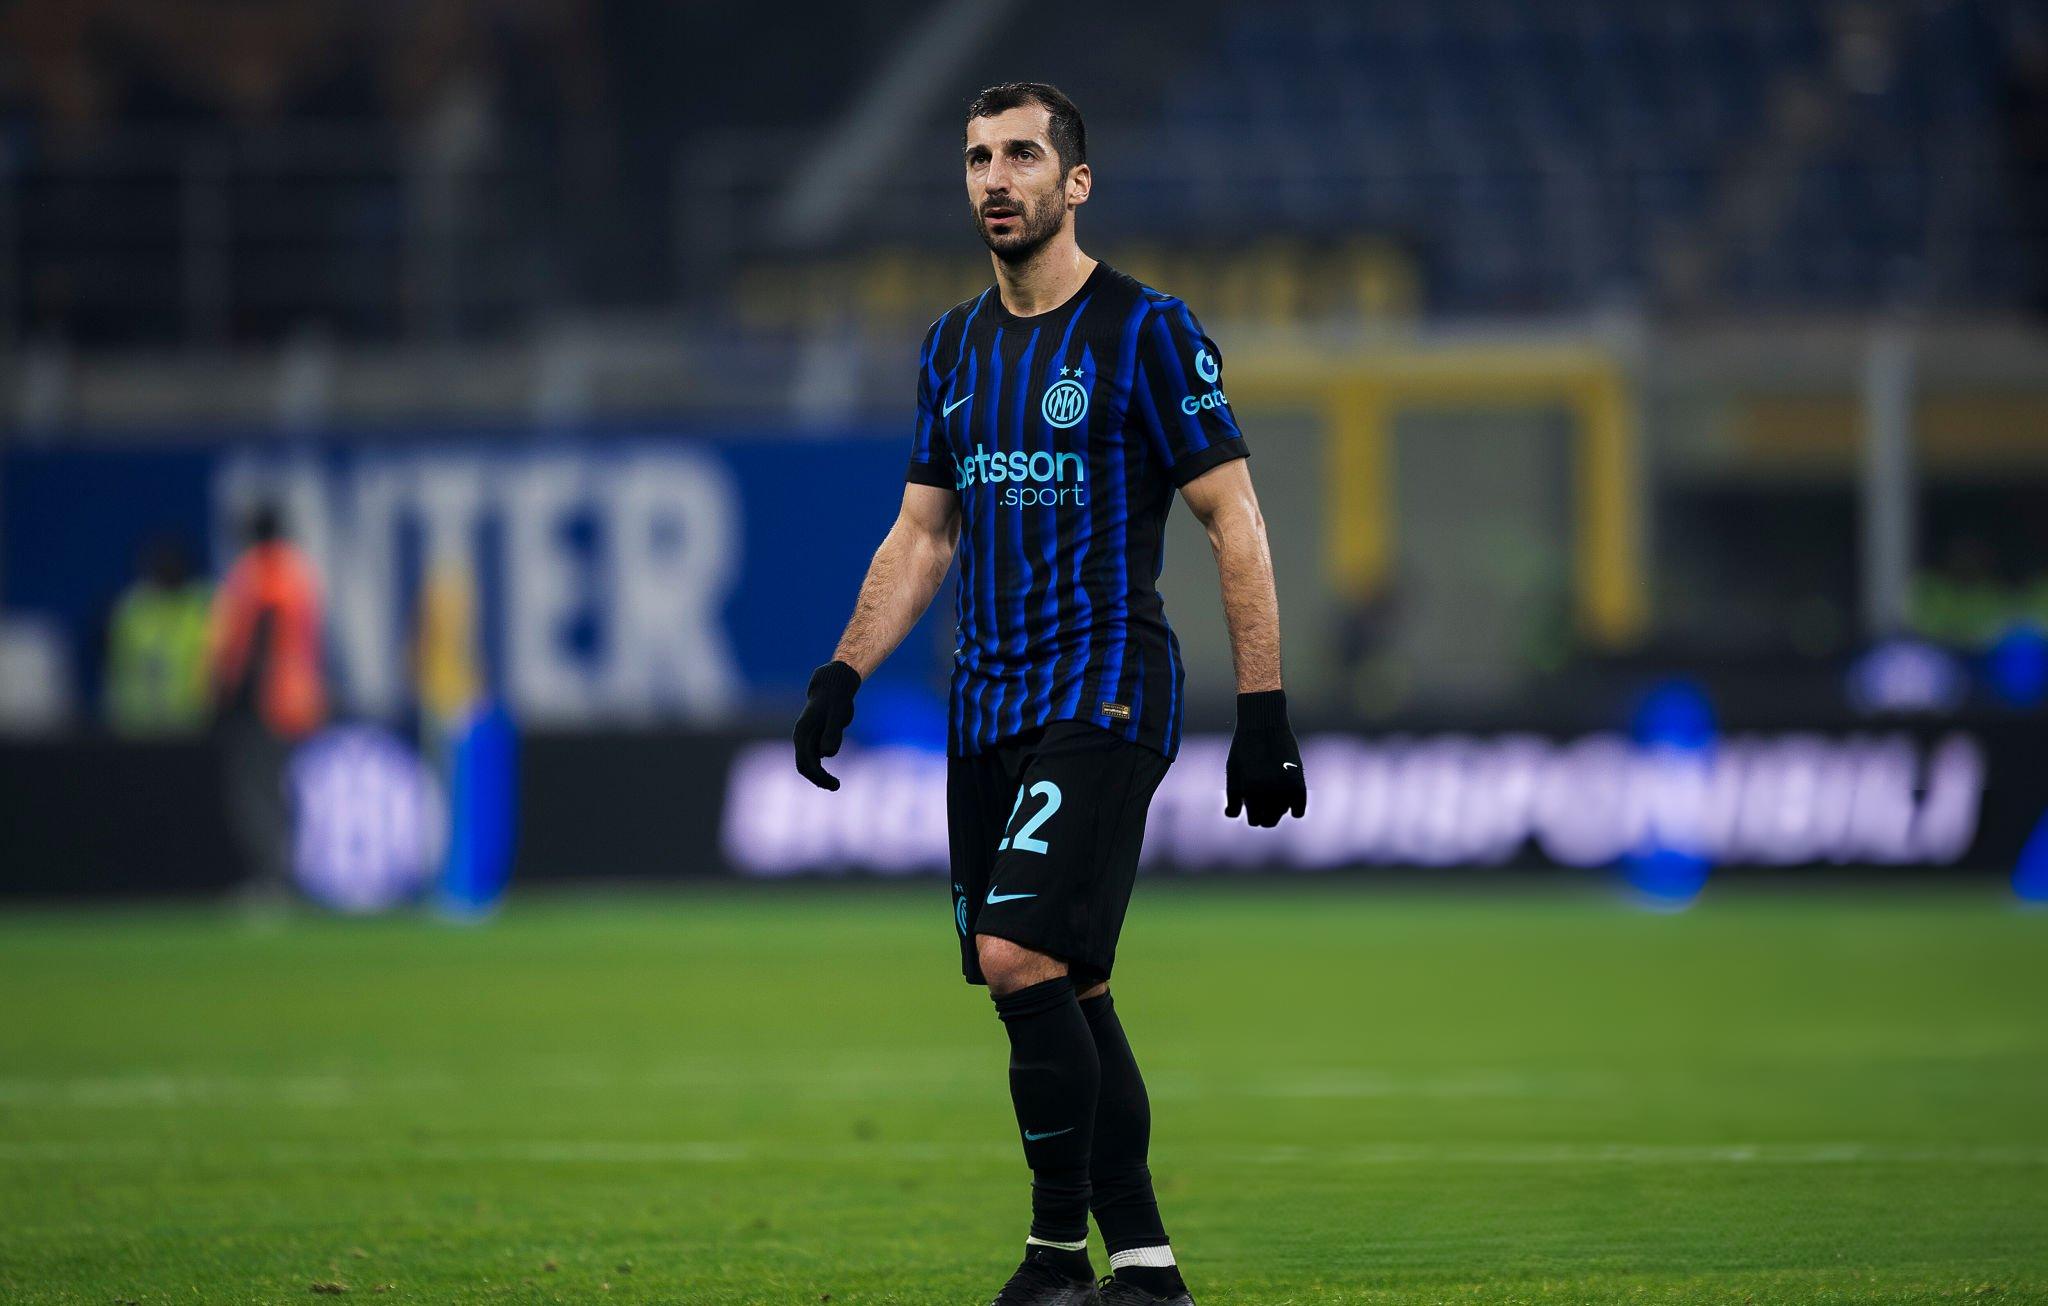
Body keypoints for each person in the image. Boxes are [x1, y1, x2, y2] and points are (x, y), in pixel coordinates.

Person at [791, 83, 1306, 1306]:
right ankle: (1146, 1266)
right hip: (987, 705)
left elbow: (1232, 516)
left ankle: (1052, 1259)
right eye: (978, 158)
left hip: (1103, 689)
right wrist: (841, 670)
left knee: (1013, 950)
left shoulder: (1146, 330)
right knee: (1068, 984)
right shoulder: (951, 347)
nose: (995, 178)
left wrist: (1263, 711)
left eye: (1022, 155)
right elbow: (924, 534)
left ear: (1074, 183)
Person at [208, 502, 328, 901]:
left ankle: (273, 880)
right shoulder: (300, 570)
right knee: (283, 790)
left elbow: (259, 634)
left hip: (265, 701)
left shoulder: (259, 571)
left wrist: (231, 693)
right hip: (301, 698)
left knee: (256, 792)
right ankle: (288, 876)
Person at [103, 534, 212, 736]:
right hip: (135, 724)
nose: (167, 572)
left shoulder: (201, 606)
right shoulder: (132, 608)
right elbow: (116, 665)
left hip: (190, 724)